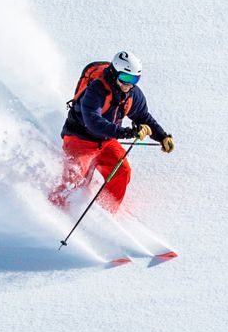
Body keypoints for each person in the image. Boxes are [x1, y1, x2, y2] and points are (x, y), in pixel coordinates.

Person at [51, 50, 174, 213]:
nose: (129, 84)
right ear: (115, 73)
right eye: (125, 78)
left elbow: (143, 116)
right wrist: (126, 133)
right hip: (79, 139)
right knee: (73, 182)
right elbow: (93, 122)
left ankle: (106, 212)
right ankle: (58, 211)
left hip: (106, 142)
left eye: (134, 80)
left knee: (122, 171)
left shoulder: (132, 94)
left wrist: (162, 136)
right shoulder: (96, 90)